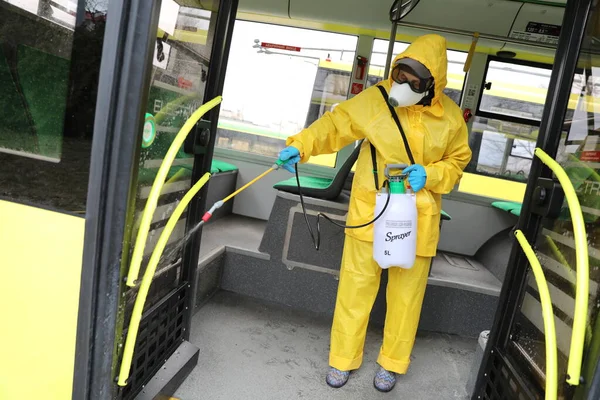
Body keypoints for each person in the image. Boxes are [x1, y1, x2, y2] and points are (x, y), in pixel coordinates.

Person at [277, 33, 472, 392]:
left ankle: (392, 363)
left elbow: (458, 162)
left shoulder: (450, 120)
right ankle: (342, 359)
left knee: (406, 298)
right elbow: (334, 126)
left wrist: (431, 175)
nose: (405, 85)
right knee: (355, 289)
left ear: (433, 84)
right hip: (373, 207)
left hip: (418, 215)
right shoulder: (376, 100)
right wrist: (300, 147)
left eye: (415, 81)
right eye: (401, 75)